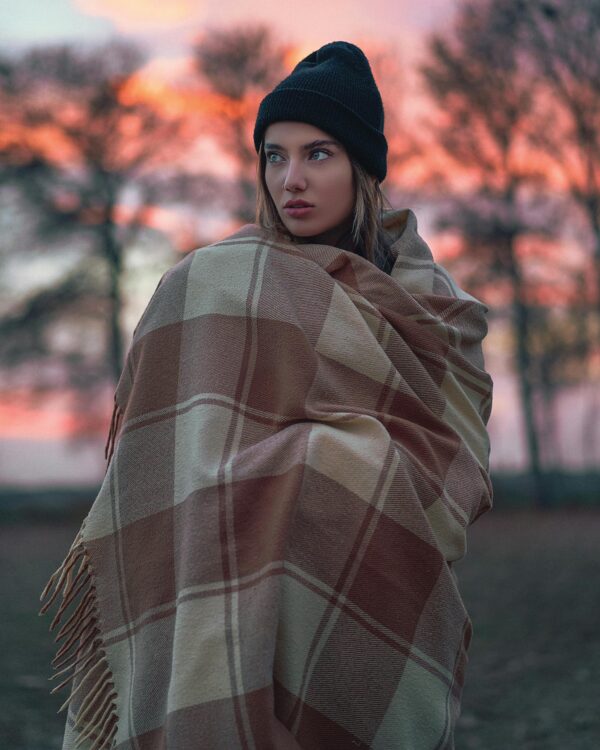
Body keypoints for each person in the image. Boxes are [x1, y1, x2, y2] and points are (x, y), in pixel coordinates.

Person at [41, 41, 493, 750]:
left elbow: (453, 476)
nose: (292, 180)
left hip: (368, 567)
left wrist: (326, 468)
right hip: (220, 570)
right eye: (274, 156)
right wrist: (276, 479)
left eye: (319, 154)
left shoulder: (439, 314)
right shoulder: (217, 283)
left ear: (363, 168)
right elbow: (177, 458)